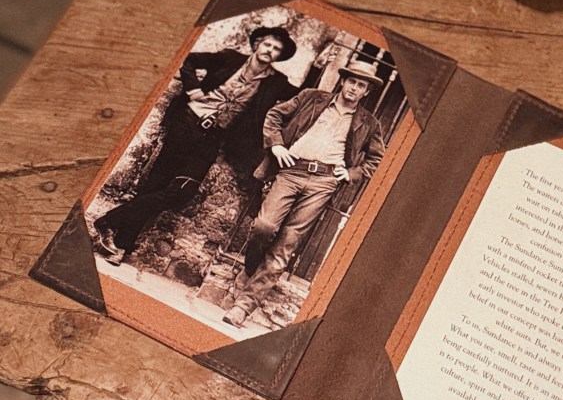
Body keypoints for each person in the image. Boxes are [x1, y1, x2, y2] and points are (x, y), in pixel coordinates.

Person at [93, 26, 298, 265]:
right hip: (187, 123)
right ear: (257, 44)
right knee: (155, 183)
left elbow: (303, 96)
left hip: (214, 137)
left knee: (183, 192)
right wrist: (193, 89)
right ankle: (121, 246)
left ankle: (110, 220)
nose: (270, 51)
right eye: (268, 45)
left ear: (279, 56)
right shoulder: (230, 58)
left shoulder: (276, 82)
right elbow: (189, 59)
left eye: (276, 49)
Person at [223, 59, 386, 328]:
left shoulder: (369, 123)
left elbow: (377, 160)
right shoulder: (312, 97)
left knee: (287, 242)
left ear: (366, 92)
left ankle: (244, 306)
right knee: (264, 227)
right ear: (343, 80)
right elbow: (275, 115)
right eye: (352, 81)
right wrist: (276, 146)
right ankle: (251, 269)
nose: (355, 88)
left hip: (324, 182)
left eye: (362, 85)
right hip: (291, 170)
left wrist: (352, 173)